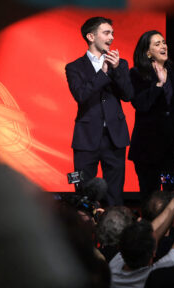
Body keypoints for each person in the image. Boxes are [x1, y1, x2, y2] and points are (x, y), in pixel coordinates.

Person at [66, 16, 134, 206]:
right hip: (86, 137)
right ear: (90, 36)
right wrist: (103, 73)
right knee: (83, 191)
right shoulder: (74, 67)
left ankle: (114, 231)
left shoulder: (120, 64)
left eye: (112, 33)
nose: (111, 37)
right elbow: (80, 95)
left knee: (115, 193)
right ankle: (85, 230)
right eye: (106, 33)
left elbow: (128, 95)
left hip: (115, 137)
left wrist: (116, 70)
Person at [129, 30, 174, 202]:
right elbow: (141, 104)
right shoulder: (137, 74)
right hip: (148, 146)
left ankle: (173, 226)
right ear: (148, 52)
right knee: (150, 193)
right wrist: (158, 84)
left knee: (172, 190)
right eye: (157, 44)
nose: (163, 46)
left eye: (164, 42)